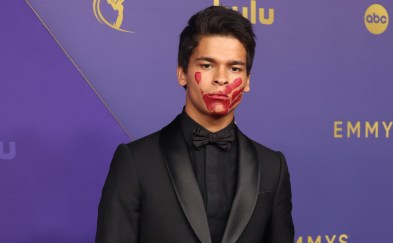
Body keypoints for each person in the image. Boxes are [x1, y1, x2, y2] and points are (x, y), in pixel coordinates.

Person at [96, 6, 294, 243]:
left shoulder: (273, 167)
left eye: (234, 68)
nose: (221, 78)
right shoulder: (135, 162)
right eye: (207, 65)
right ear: (182, 73)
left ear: (247, 81)